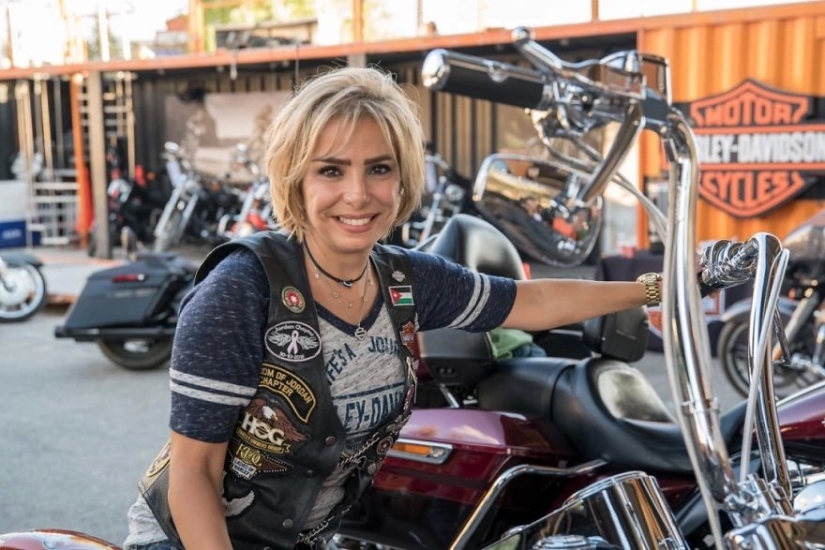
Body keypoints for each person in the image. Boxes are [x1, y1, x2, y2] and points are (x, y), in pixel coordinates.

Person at [123, 66, 663, 550]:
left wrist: (659, 287)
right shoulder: (241, 289)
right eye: (331, 171)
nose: (358, 194)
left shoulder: (404, 277)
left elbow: (531, 300)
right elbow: (194, 474)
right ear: (295, 178)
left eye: (378, 168)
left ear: (402, 177)